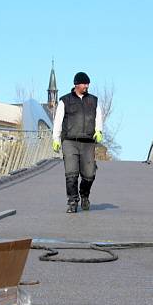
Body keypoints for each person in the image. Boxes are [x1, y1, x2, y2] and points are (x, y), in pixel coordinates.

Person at [52, 72, 104, 213]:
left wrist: (99, 131)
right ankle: (72, 202)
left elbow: (98, 117)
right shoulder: (65, 101)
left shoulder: (93, 101)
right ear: (76, 84)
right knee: (71, 174)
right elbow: (58, 121)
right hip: (70, 141)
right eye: (84, 84)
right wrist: (56, 139)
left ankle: (84, 195)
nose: (86, 86)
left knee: (89, 174)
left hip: (88, 142)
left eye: (88, 84)